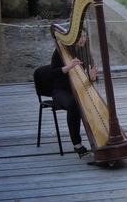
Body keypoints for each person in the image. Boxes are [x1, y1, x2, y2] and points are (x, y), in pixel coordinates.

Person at [49, 29, 97, 157]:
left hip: (79, 89)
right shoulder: (60, 52)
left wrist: (93, 77)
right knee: (74, 105)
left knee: (94, 102)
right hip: (60, 91)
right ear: (73, 38)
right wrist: (68, 67)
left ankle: (98, 136)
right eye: (80, 36)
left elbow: (92, 78)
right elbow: (52, 73)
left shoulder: (86, 52)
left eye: (85, 36)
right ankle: (77, 143)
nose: (83, 39)